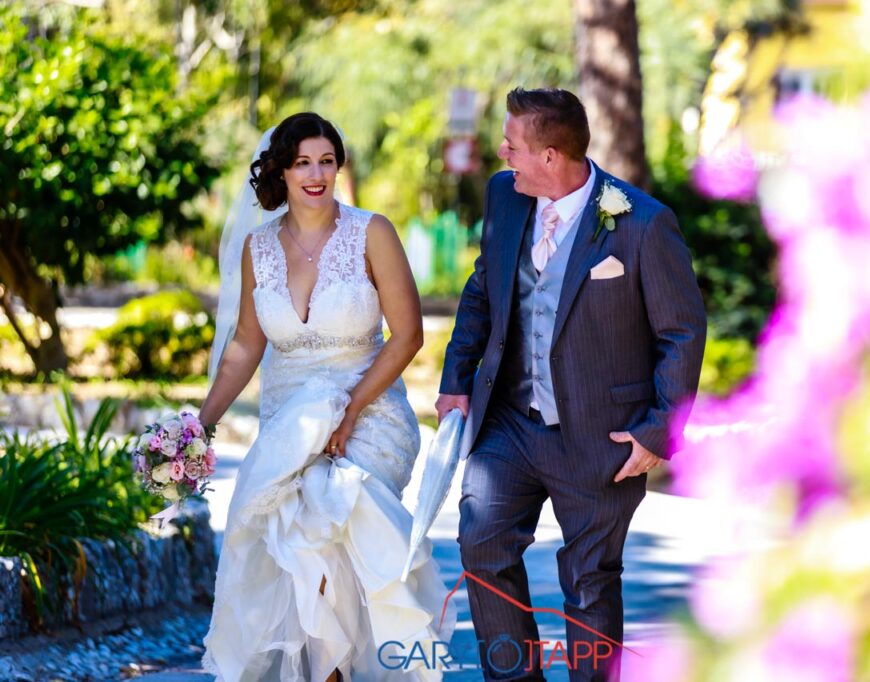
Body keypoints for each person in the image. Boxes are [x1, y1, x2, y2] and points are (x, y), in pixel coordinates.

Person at [437, 88, 706, 681]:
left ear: (552, 156)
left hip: (600, 434)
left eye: (513, 144)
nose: (502, 151)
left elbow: (682, 333)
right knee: (482, 546)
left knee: (588, 582)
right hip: (510, 421)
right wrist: (457, 378)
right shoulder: (505, 199)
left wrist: (659, 432)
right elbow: (484, 290)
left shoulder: (643, 223)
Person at [199, 112, 453, 682]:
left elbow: (407, 335)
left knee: (324, 532)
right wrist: (202, 424)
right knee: (294, 565)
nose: (316, 174)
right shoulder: (258, 248)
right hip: (288, 426)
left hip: (368, 417)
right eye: (302, 163)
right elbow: (245, 343)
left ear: (338, 166)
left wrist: (351, 409)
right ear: (282, 172)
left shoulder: (373, 232)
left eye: (327, 161)